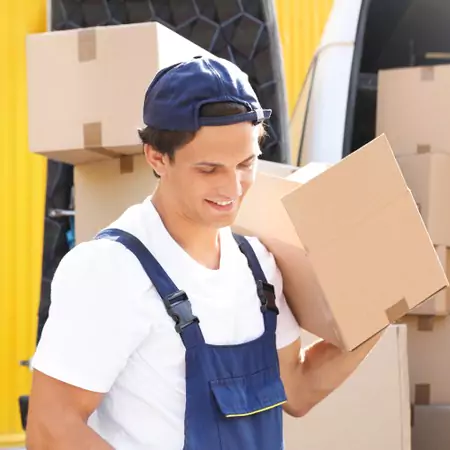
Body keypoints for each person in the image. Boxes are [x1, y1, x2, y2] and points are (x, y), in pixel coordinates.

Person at [25, 55, 383, 449]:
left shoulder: (258, 267)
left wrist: (381, 309)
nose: (233, 188)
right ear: (157, 157)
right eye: (209, 170)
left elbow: (295, 389)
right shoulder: (110, 269)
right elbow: (50, 429)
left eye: (246, 164)